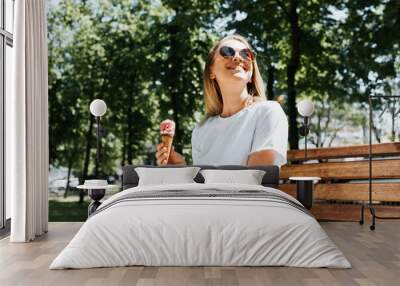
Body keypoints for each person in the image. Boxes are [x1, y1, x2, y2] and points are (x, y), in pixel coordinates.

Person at [156, 34, 288, 166]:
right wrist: (180, 169)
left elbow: (256, 178)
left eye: (246, 54)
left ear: (251, 74)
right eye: (227, 52)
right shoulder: (201, 130)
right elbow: (201, 184)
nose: (237, 57)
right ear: (211, 72)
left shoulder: (268, 112)